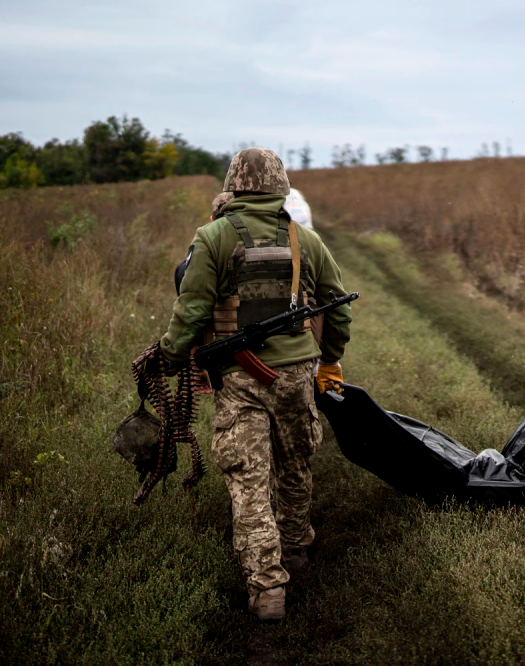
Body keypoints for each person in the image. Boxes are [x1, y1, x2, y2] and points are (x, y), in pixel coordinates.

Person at [158, 148, 352, 619]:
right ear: (279, 186)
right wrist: (330, 359)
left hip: (240, 379)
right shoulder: (304, 239)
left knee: (248, 478)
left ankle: (267, 589)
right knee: (295, 466)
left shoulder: (213, 237)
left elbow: (192, 310)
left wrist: (168, 357)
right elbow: (337, 308)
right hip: (297, 376)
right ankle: (295, 553)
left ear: (235, 187)